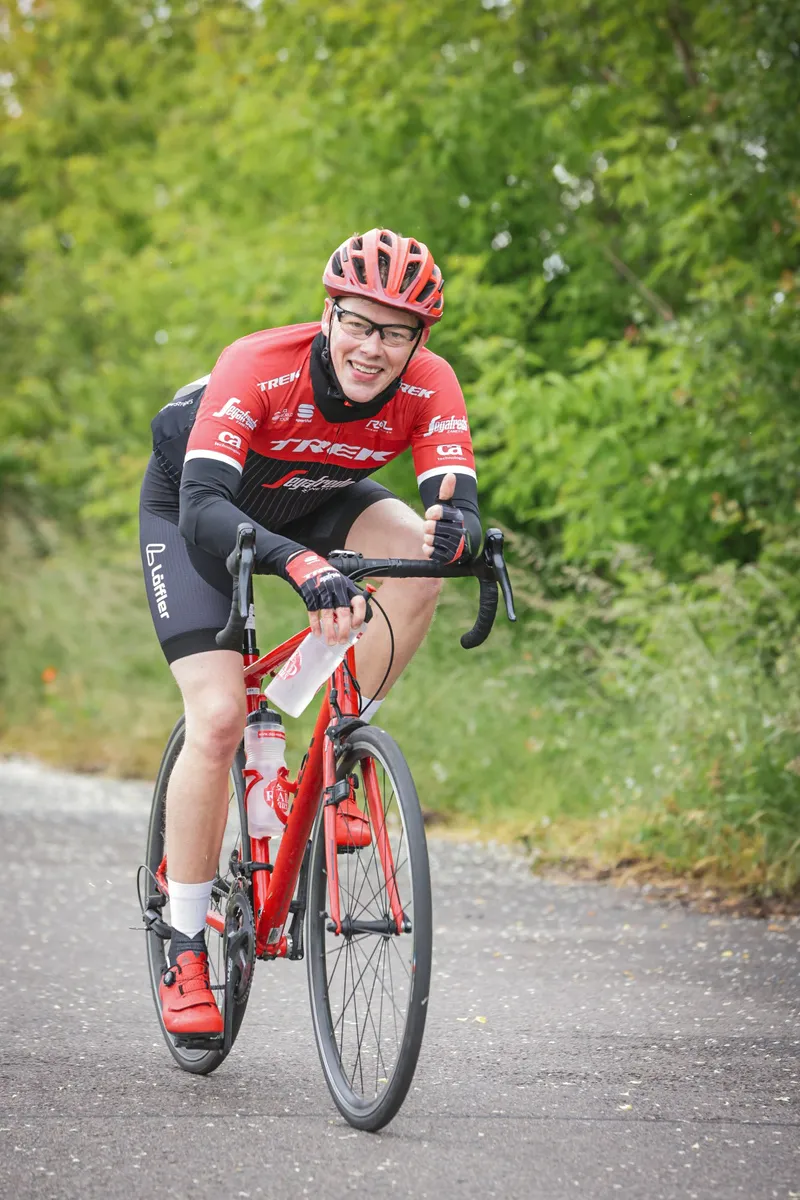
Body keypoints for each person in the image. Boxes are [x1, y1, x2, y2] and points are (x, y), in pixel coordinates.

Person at [139, 228, 483, 1036]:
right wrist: (299, 566)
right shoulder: (259, 364)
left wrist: (462, 529)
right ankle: (185, 941)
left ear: (418, 341)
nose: (374, 348)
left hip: (317, 493)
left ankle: (322, 758)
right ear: (328, 314)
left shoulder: (428, 381)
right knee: (220, 718)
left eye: (395, 333)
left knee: (418, 558)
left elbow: (452, 495)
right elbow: (203, 508)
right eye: (359, 323)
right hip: (200, 512)